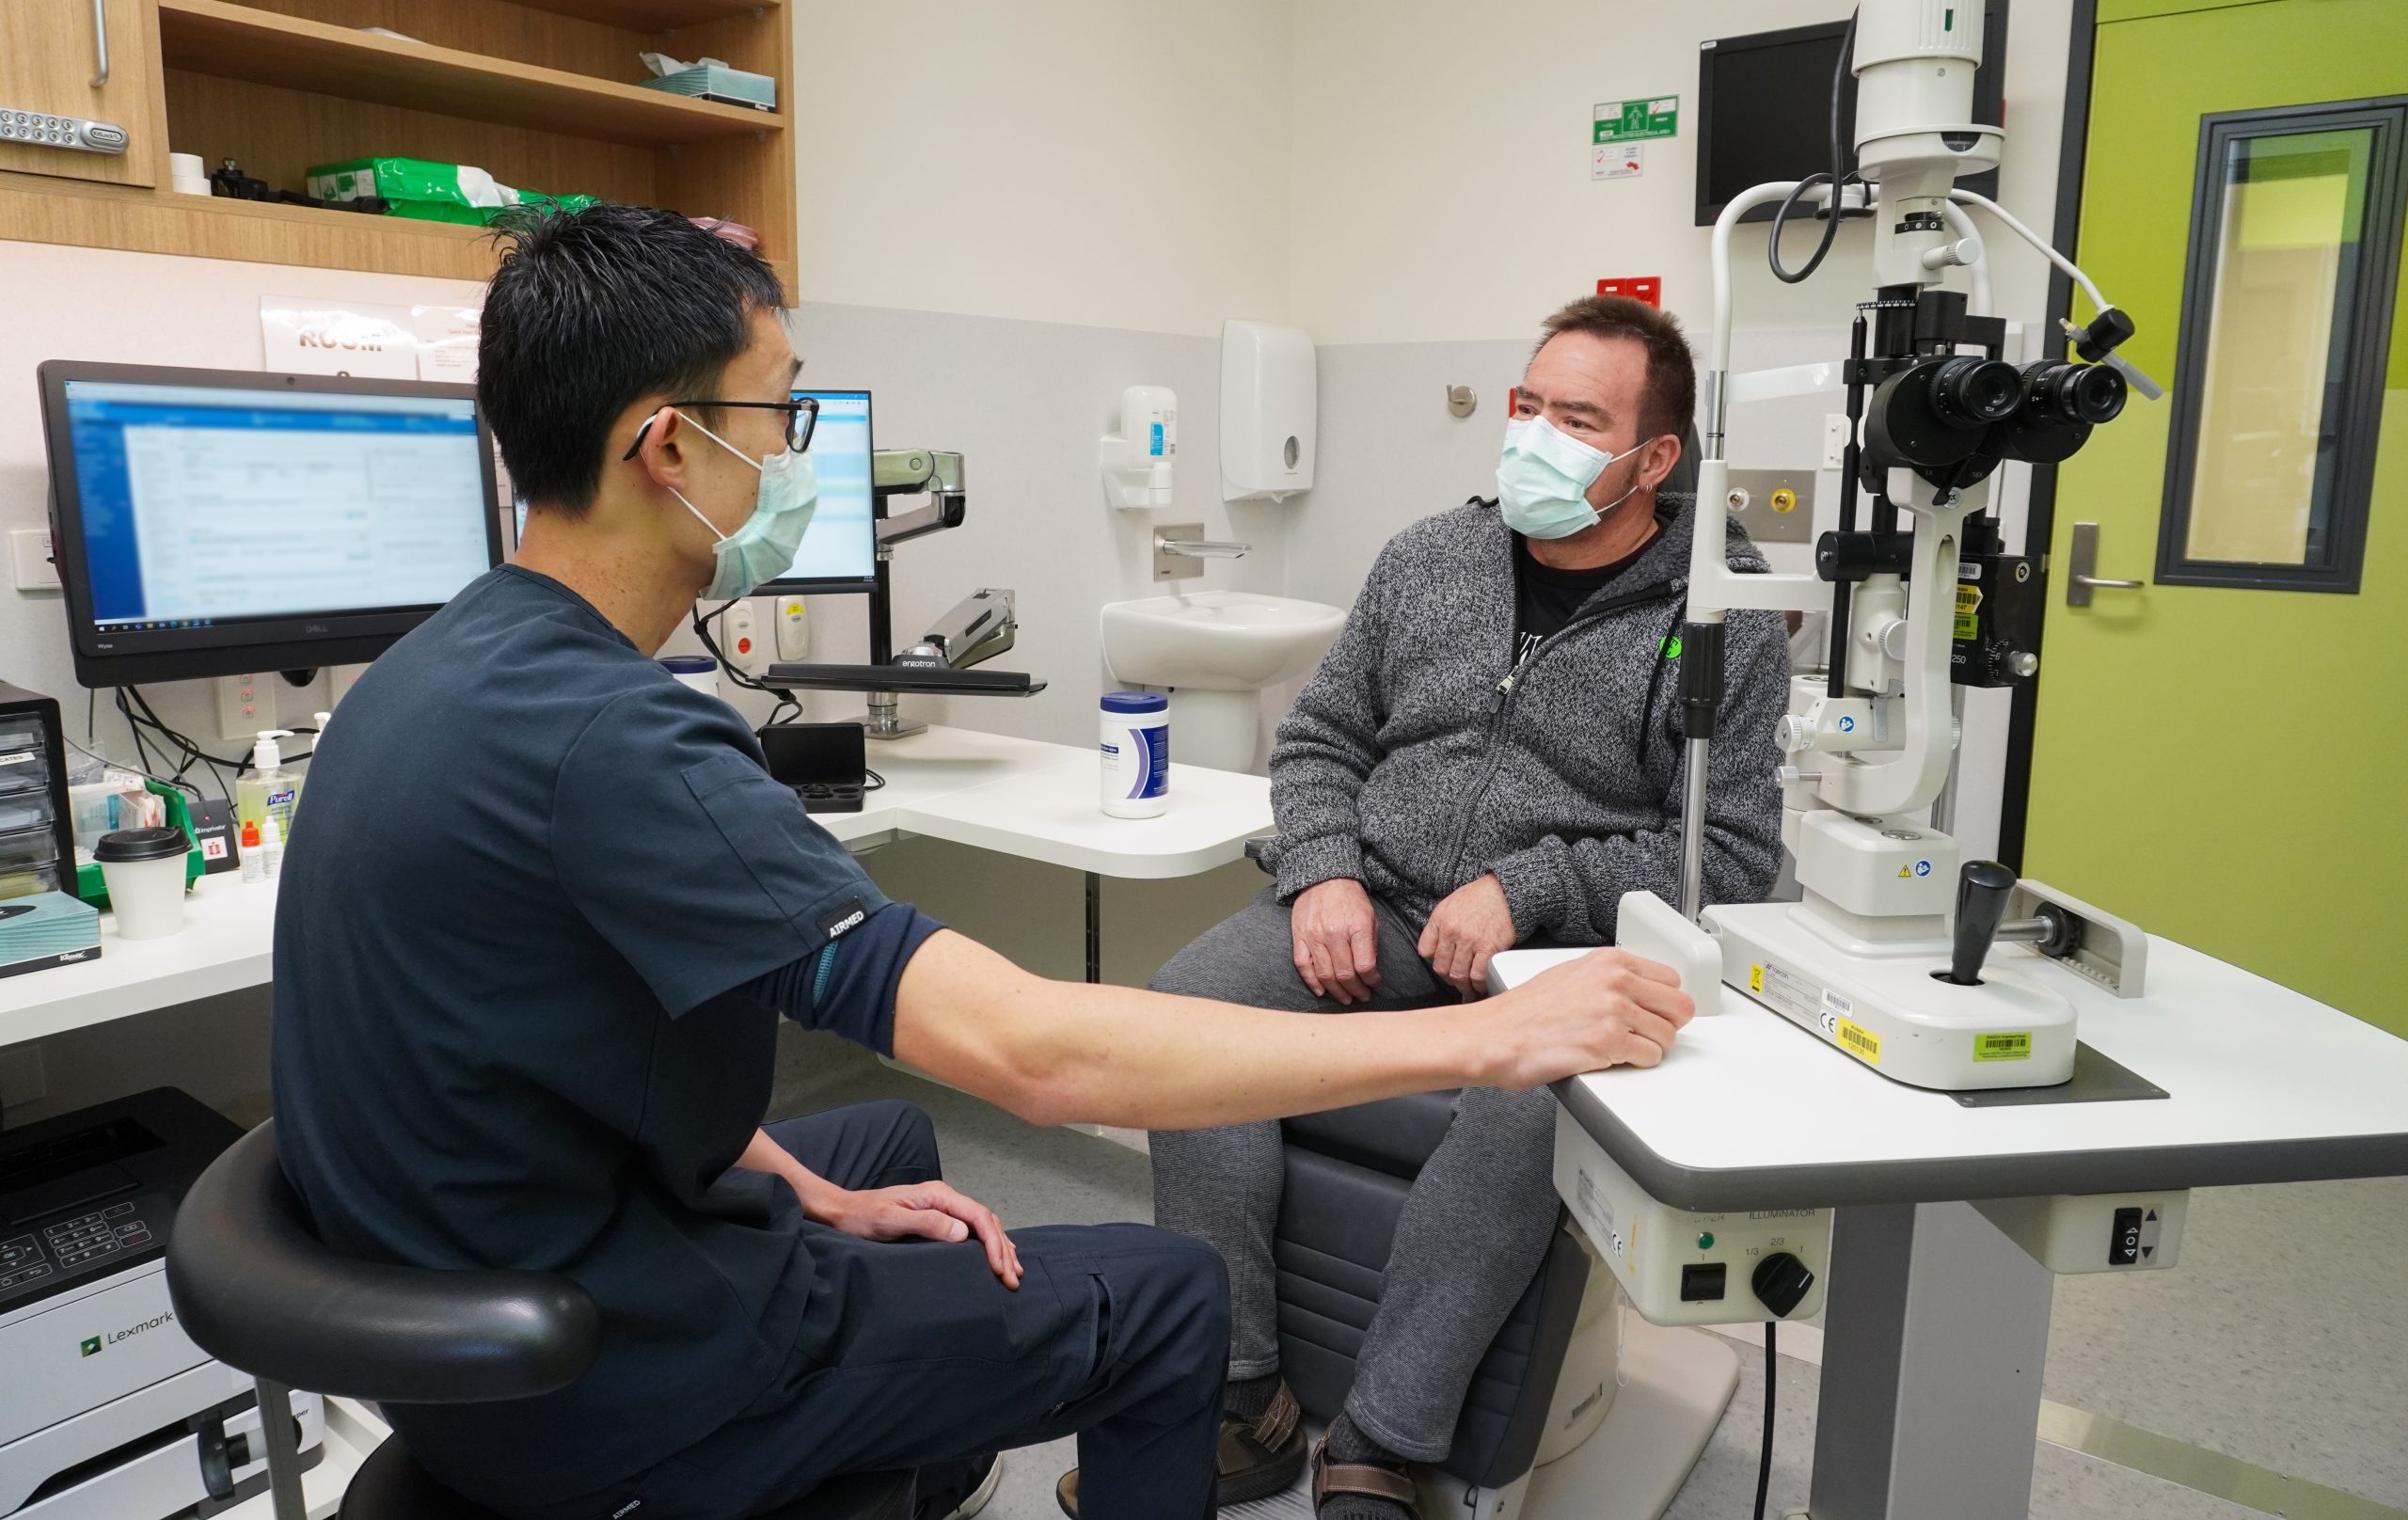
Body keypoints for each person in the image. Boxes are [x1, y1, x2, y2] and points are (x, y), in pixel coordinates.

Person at [268, 209, 1700, 1520]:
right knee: (1166, 1296)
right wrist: (1491, 1032)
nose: (798, 450)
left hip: (479, 1295)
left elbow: (528, 1056)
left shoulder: (437, 665)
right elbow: (1036, 1060)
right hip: (597, 1376)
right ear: (666, 449)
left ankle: (907, 1455)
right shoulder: (618, 741)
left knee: (879, 1152)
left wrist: (799, 1184)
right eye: (783, 409)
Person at [1136, 295, 1790, 1519]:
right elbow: (1323, 737)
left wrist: (1529, 888)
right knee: (1185, 1012)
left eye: (1579, 418)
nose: (1537, 434)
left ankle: (1382, 1436)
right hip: (1376, 905)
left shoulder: (1720, 612)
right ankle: (1243, 1390)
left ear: (1654, 460)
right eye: (1529, 404)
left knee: (1522, 1105)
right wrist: (1323, 866)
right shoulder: (1428, 557)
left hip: (1563, 949)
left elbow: (1731, 856)